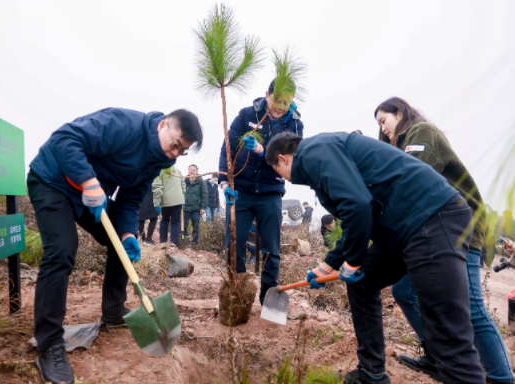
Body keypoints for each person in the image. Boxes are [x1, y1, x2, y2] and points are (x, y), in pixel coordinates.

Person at [266, 131, 485, 384]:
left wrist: (354, 261)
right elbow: (357, 215)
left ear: (282, 158)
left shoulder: (313, 152)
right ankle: (372, 373)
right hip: (404, 230)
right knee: (362, 281)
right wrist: (328, 265)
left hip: (431, 217)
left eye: (276, 171)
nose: (283, 179)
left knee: (446, 330)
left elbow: (357, 205)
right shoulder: (321, 158)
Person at [27, 108, 202, 384]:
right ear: (162, 125)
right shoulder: (124, 125)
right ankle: (49, 344)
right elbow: (64, 139)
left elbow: (130, 201)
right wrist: (89, 181)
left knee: (120, 244)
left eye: (182, 152)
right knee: (62, 249)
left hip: (89, 195)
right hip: (53, 181)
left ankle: (112, 311)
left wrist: (128, 234)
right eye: (175, 145)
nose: (174, 154)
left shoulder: (156, 162)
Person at [375, 97, 512, 384]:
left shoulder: (421, 133)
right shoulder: (402, 145)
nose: (382, 128)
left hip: (461, 226)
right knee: (404, 291)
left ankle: (502, 378)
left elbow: (410, 181)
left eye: (383, 121)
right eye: (378, 125)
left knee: (472, 307)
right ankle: (437, 357)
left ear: (399, 112)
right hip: (434, 231)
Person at [219, 78, 304, 304]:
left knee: (271, 249)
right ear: (267, 94)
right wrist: (224, 183)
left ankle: (268, 300)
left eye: (287, 102)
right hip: (242, 191)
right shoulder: (247, 115)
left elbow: (291, 159)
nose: (280, 106)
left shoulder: (294, 125)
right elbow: (226, 147)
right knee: (233, 245)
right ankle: (237, 294)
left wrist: (263, 150)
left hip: (270, 192)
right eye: (277, 99)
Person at [152, 167, 186, 245]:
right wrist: (182, 197)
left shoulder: (159, 172)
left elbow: (157, 188)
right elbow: (183, 186)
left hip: (166, 201)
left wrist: (156, 203)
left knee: (164, 220)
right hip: (178, 200)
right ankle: (173, 243)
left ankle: (163, 242)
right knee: (175, 222)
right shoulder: (178, 171)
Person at [183, 164, 207, 244]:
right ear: (188, 171)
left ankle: (194, 241)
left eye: (193, 170)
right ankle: (185, 240)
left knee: (196, 227)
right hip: (185, 208)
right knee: (183, 226)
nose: (191, 171)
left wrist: (203, 207)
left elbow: (204, 195)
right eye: (190, 169)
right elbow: (180, 193)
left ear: (197, 172)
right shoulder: (184, 181)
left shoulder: (201, 182)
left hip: (196, 209)